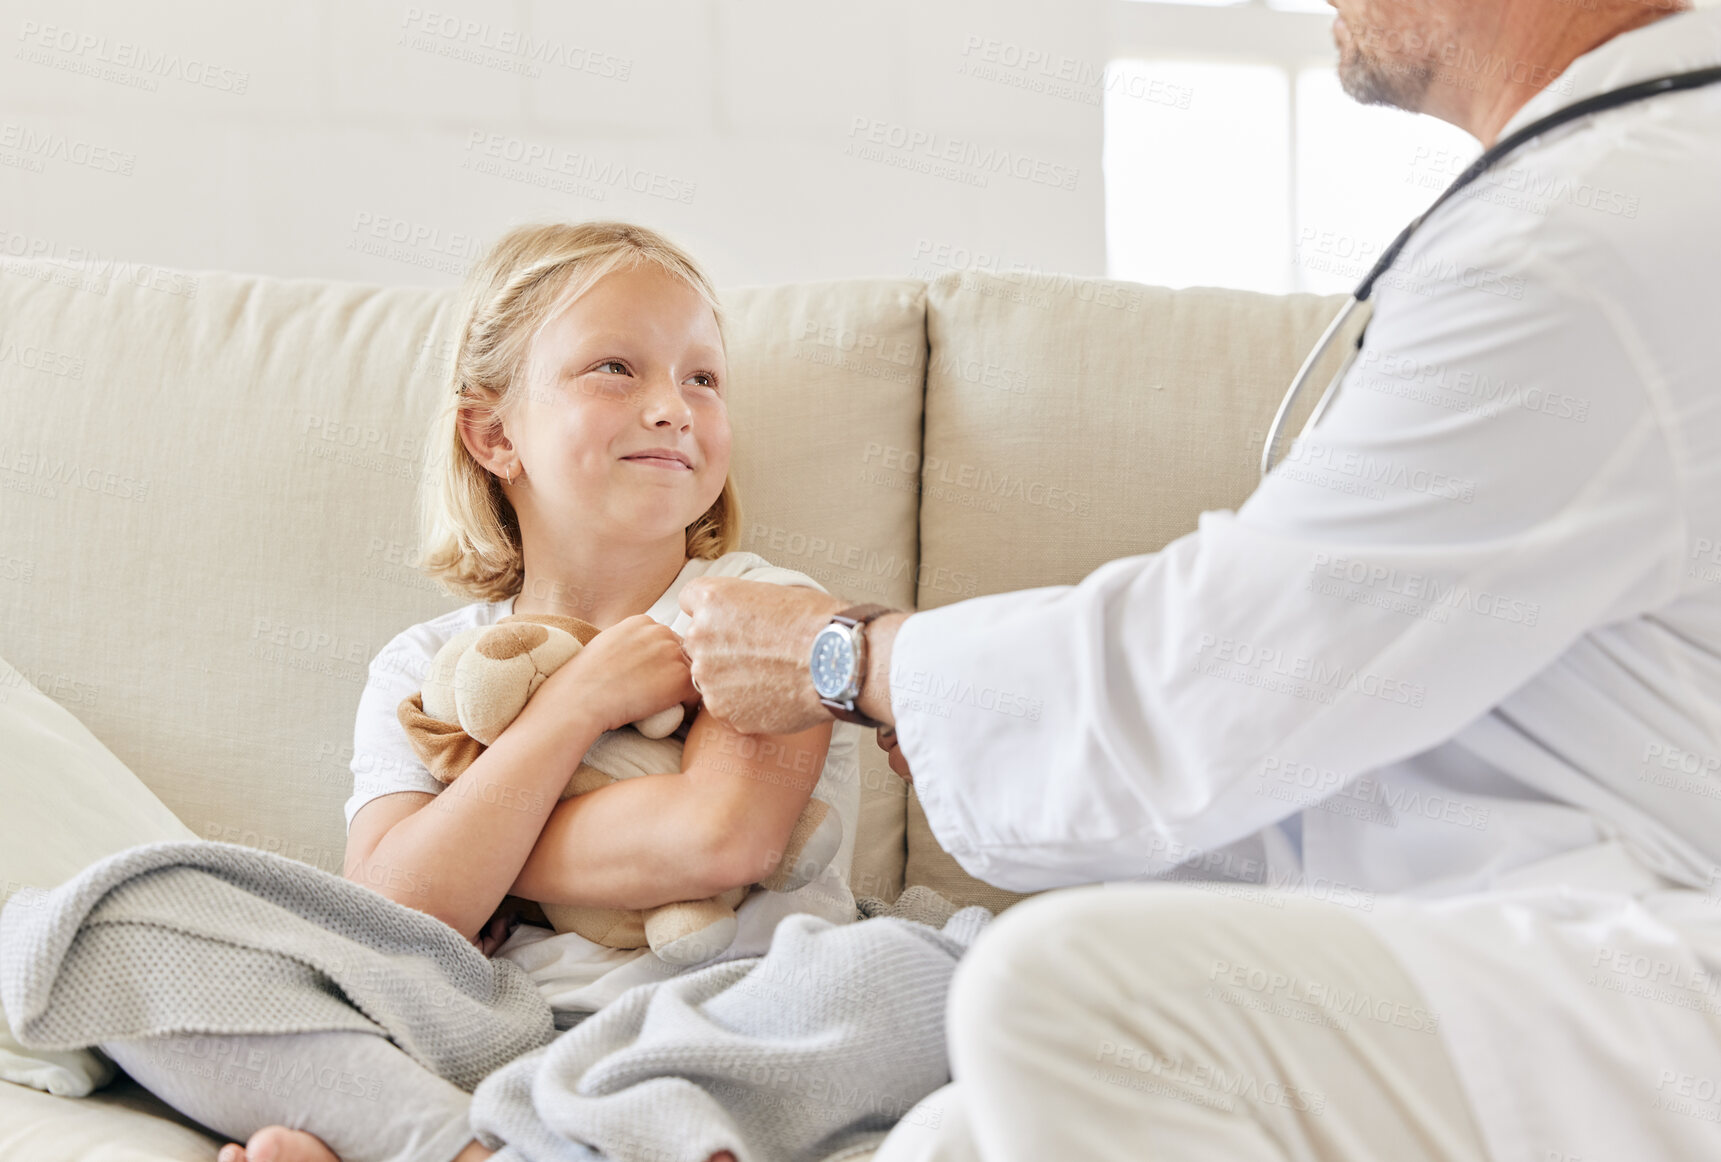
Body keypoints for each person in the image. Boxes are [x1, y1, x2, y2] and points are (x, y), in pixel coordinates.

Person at [677, 2, 1721, 1160]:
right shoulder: (1614, 192)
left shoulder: (1582, 243)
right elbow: (1333, 719)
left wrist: (850, 658)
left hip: (1656, 983)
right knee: (950, 1142)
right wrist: (970, 701)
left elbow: (1228, 670)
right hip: (1541, 935)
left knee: (1065, 992)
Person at [99, 220, 863, 1162]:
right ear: (495, 434)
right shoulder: (421, 664)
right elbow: (398, 922)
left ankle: (441, 1146)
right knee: (112, 923)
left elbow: (716, 840)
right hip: (486, 1030)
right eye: (615, 368)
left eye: (702, 378)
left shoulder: (773, 616)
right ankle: (459, 1145)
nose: (672, 406)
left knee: (903, 983)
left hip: (717, 1022)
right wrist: (574, 706)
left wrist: (459, 851)